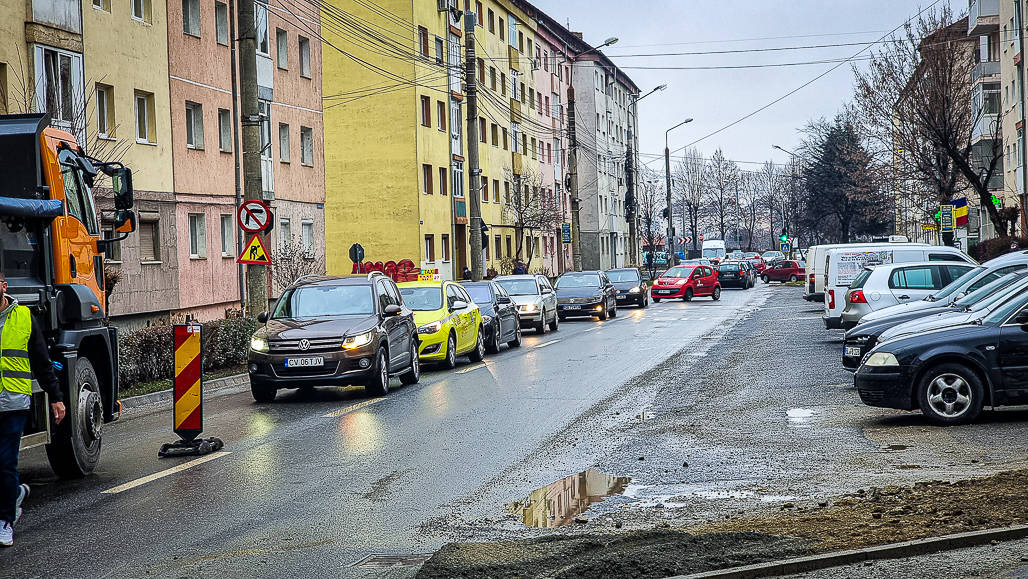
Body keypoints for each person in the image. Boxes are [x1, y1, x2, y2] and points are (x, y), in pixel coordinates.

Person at [0, 272, 65, 547]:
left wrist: (56, 396)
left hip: (13, 403)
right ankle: (13, 494)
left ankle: (5, 521)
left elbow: (41, 361)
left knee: (5, 463)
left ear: (3, 286)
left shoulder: (24, 317)